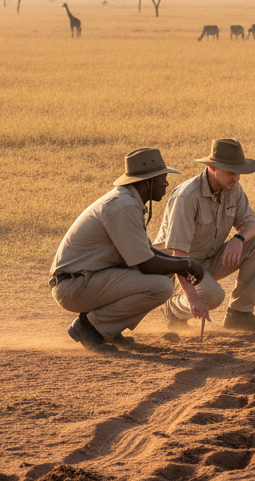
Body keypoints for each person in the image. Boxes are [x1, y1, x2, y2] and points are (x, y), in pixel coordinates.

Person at [49, 148, 205, 353]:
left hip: (86, 279)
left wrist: (181, 264)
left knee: (165, 271)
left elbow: (146, 252)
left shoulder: (127, 201)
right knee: (161, 286)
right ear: (146, 182)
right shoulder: (124, 205)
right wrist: (186, 264)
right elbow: (146, 264)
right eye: (163, 178)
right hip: (75, 286)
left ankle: (109, 329)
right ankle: (89, 327)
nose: (166, 183)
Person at [155, 138, 255, 332]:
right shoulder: (186, 197)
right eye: (231, 172)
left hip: (206, 261)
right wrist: (193, 300)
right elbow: (179, 255)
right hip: (175, 269)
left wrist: (238, 239)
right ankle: (172, 306)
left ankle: (239, 315)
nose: (236, 178)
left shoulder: (232, 188)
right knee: (213, 296)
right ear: (212, 168)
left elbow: (251, 224)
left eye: (238, 172)